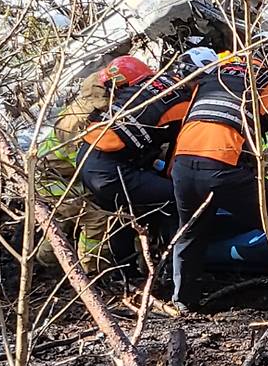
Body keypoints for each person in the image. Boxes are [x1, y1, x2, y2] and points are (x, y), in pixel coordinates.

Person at [171, 32, 268, 313]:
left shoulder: (215, 74)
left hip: (183, 164)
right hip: (221, 168)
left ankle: (183, 300)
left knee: (191, 232)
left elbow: (191, 121)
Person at [77, 55, 193, 275]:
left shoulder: (152, 84)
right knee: (175, 196)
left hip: (88, 155)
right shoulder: (185, 103)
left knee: (121, 212)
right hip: (108, 170)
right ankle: (172, 269)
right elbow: (175, 160)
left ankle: (124, 272)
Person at [36, 71, 110, 274]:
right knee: (96, 218)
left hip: (56, 175)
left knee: (60, 221)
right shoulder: (82, 120)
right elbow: (86, 162)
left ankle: (45, 262)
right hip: (53, 179)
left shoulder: (83, 107)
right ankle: (92, 271)